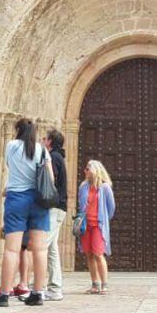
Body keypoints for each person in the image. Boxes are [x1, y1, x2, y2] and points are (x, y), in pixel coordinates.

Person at [0, 118, 52, 308]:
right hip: (38, 200)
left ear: (18, 130)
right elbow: (49, 177)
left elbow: (9, 166)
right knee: (40, 249)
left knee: (11, 249)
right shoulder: (42, 150)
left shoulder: (11, 146)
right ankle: (38, 293)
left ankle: (3, 294)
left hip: (16, 198)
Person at [77, 160, 115, 296]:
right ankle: (95, 284)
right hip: (86, 225)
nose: (85, 171)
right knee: (89, 254)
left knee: (99, 254)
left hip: (98, 225)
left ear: (96, 170)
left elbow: (111, 208)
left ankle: (104, 284)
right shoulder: (83, 187)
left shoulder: (105, 188)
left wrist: (103, 219)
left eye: (88, 169)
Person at [43, 129, 68, 301]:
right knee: (51, 248)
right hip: (59, 207)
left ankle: (37, 285)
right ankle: (55, 287)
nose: (42, 140)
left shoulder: (54, 158)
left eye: (44, 138)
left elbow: (50, 181)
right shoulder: (59, 157)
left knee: (41, 246)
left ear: (50, 141)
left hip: (54, 207)